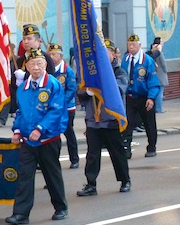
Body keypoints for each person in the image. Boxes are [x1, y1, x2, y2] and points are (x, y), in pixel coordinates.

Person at [5, 48, 68, 225]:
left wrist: (40, 129)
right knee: (24, 176)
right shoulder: (23, 88)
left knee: (51, 174)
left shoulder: (53, 85)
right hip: (28, 141)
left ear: (45, 65)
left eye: (39, 63)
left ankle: (61, 207)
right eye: (32, 64)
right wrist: (17, 131)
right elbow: (20, 112)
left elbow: (56, 111)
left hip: (48, 139)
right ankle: (21, 213)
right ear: (26, 67)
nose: (36, 67)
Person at [76, 39, 130, 197]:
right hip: (94, 120)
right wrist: (87, 91)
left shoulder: (119, 72)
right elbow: (79, 91)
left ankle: (125, 180)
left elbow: (119, 90)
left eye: (105, 52)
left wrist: (101, 87)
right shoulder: (91, 73)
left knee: (117, 153)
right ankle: (91, 184)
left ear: (113, 54)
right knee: (92, 155)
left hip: (111, 119)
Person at [121, 34, 160, 158]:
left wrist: (151, 98)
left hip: (144, 97)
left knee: (149, 124)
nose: (131, 47)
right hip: (130, 97)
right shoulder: (125, 59)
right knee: (127, 123)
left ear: (139, 45)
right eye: (129, 45)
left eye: (133, 45)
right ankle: (126, 148)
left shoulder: (147, 61)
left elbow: (153, 81)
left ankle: (151, 147)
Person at [47, 43, 79, 168]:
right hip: (51, 109)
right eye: (49, 54)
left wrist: (60, 104)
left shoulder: (67, 71)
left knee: (68, 132)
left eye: (54, 54)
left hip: (66, 108)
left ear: (60, 56)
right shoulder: (48, 70)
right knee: (53, 135)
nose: (51, 57)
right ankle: (53, 160)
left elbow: (71, 90)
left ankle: (74, 159)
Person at [146, 37, 168, 113]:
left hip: (156, 75)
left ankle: (157, 108)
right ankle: (159, 108)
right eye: (161, 42)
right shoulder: (159, 53)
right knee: (160, 93)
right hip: (160, 75)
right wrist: (166, 70)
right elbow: (163, 65)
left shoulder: (152, 52)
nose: (162, 44)